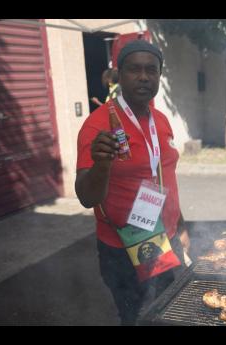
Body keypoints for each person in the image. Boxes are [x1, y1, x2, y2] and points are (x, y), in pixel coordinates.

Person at [75, 39, 190, 326]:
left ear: (159, 76)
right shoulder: (98, 125)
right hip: (122, 248)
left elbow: (164, 177)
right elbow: (86, 196)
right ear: (120, 74)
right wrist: (102, 162)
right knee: (137, 319)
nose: (143, 76)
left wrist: (181, 226)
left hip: (165, 239)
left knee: (172, 311)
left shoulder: (161, 121)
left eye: (151, 70)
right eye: (134, 69)